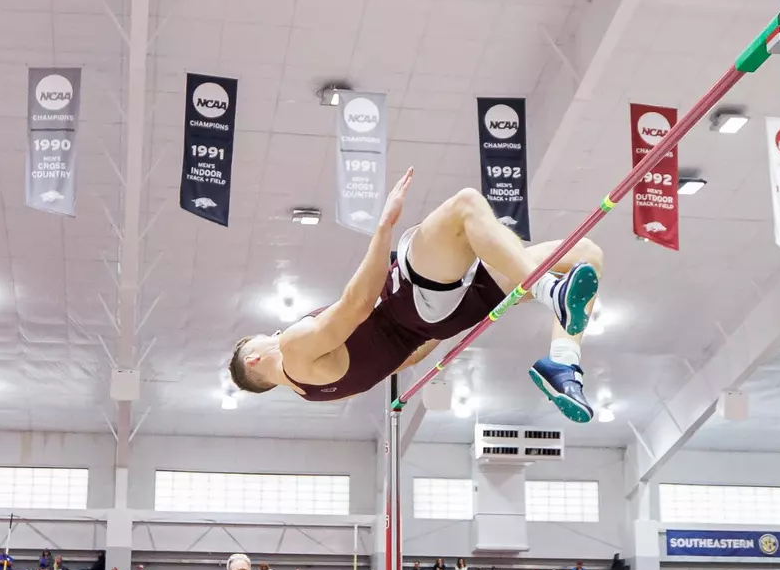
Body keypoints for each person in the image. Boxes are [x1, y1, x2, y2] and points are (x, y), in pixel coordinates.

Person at [227, 171, 605, 423]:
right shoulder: (293, 348)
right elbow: (357, 305)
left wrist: (454, 315)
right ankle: (547, 290)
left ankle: (562, 363)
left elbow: (406, 357)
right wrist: (384, 227)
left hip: (442, 314)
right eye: (267, 334)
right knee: (466, 204)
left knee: (584, 253)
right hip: (414, 298)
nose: (276, 331)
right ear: (256, 358)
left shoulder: (322, 394)